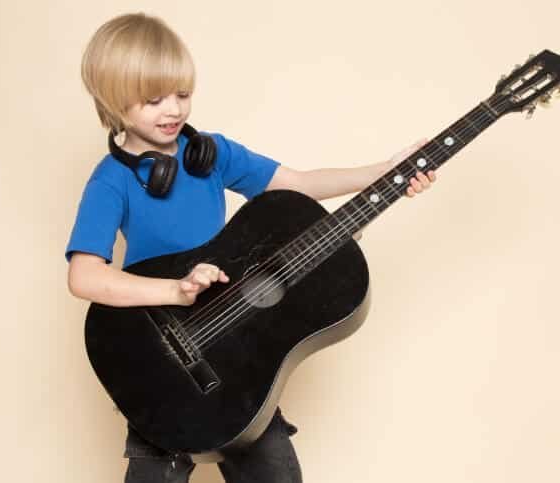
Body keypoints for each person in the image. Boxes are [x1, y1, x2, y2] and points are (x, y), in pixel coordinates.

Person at [65, 12, 436, 483]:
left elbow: (298, 184)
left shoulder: (212, 154)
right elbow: (84, 276)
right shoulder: (111, 181)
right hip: (159, 359)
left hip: (235, 359)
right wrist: (175, 290)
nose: (174, 110)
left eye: (182, 94)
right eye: (154, 100)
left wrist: (385, 171)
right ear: (114, 101)